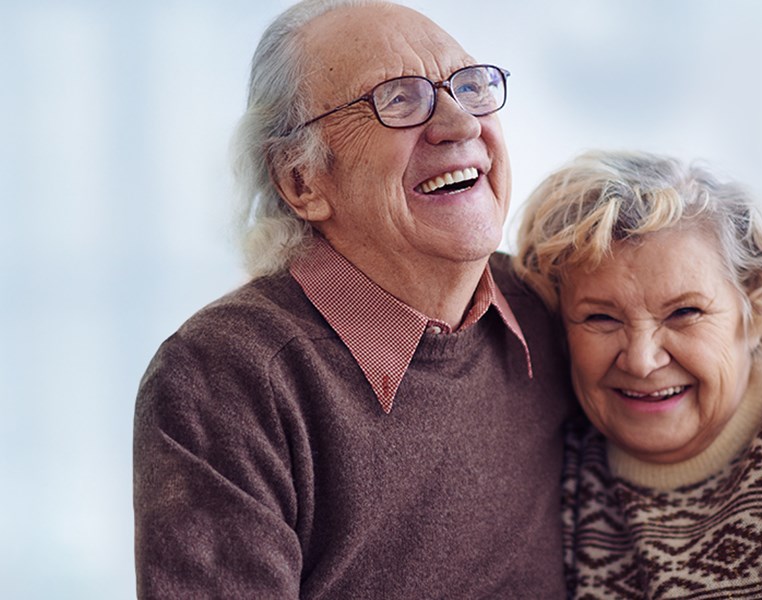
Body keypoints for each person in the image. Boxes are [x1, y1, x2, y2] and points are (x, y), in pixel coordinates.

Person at [132, 0, 575, 596]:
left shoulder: (557, 308)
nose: (462, 124)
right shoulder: (225, 374)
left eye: (470, 86)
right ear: (301, 181)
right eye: (397, 99)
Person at [514, 149, 762, 597]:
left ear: (754, 307)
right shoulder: (555, 466)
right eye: (601, 318)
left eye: (684, 312)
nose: (641, 361)